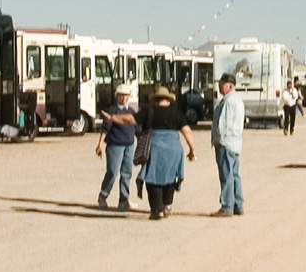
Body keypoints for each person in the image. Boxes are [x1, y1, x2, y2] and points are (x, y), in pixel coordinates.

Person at [133, 85, 196, 220]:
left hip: (155, 147)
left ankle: (157, 209)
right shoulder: (176, 113)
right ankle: (167, 205)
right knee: (170, 177)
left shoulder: (149, 110)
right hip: (173, 149)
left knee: (153, 177)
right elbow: (187, 132)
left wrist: (113, 118)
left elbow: (132, 120)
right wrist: (192, 150)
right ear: (168, 99)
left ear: (155, 99)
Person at [96, 84, 137, 211]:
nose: (123, 99)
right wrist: (100, 144)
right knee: (113, 171)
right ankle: (103, 195)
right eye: (121, 96)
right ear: (117, 97)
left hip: (129, 145)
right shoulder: (112, 111)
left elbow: (137, 128)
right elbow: (105, 129)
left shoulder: (131, 111)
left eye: (126, 96)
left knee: (127, 172)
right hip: (115, 145)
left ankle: (124, 199)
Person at [211, 73, 244, 216]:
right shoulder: (238, 101)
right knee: (234, 174)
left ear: (228, 86)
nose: (219, 88)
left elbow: (223, 124)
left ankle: (227, 206)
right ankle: (238, 204)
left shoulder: (229, 101)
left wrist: (218, 139)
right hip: (235, 142)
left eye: (221, 85)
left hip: (226, 142)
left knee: (226, 174)